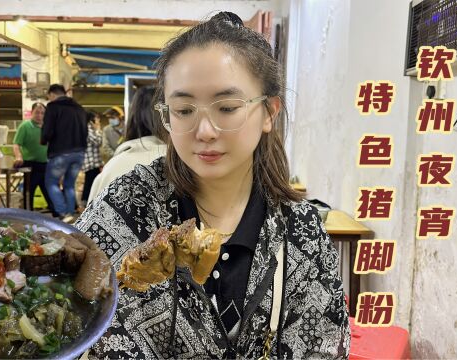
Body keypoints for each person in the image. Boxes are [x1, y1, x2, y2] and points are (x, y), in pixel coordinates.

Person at [75, 12, 349, 359]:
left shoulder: (302, 233)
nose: (204, 130)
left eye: (227, 107)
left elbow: (325, 347)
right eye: (184, 109)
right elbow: (63, 314)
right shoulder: (126, 206)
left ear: (269, 112)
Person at [87, 86, 166, 202]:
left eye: (113, 117)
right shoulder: (183, 163)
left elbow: (91, 216)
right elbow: (105, 147)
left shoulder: (112, 169)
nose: (111, 120)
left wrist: (119, 158)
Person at [41, 84, 87, 223]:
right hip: (79, 152)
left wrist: (43, 140)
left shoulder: (53, 107)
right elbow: (85, 132)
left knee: (51, 182)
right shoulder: (79, 108)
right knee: (69, 184)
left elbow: (47, 130)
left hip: (60, 152)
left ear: (52, 94)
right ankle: (71, 213)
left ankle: (63, 213)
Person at [12, 102, 58, 217]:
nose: (39, 115)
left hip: (46, 164)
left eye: (42, 113)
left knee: (49, 190)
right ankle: (28, 214)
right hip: (30, 165)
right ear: (32, 113)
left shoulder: (48, 127)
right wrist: (18, 156)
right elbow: (16, 144)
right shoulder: (25, 126)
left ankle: (57, 214)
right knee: (30, 191)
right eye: (37, 112)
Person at [80, 111, 103, 209]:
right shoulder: (88, 129)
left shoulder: (88, 128)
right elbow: (98, 141)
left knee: (90, 182)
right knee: (90, 183)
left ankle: (86, 203)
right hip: (91, 162)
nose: (98, 120)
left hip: (93, 161)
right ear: (92, 119)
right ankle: (85, 203)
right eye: (97, 118)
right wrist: (98, 130)